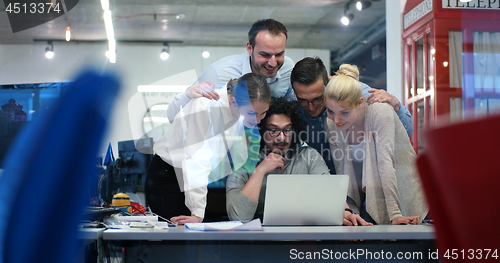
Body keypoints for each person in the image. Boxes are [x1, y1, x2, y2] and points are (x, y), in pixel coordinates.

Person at [146, 73, 271, 225]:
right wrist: (197, 212)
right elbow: (196, 159)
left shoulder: (239, 109)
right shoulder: (205, 106)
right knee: (181, 238)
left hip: (199, 182)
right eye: (252, 113)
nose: (257, 120)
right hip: (169, 179)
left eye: (263, 113)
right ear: (234, 102)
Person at [226, 97, 372, 226]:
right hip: (257, 242)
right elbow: (239, 217)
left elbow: (328, 196)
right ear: (261, 130)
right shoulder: (243, 161)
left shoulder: (309, 156)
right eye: (273, 130)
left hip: (304, 239)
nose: (281, 138)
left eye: (287, 130)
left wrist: (344, 211)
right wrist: (260, 171)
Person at [323, 64, 428, 225]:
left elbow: (386, 164)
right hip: (374, 195)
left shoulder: (379, 111)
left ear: (359, 103)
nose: (336, 120)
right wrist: (350, 212)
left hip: (404, 190)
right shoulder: (331, 124)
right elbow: (343, 171)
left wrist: (394, 214)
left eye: (344, 112)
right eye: (330, 111)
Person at [290, 57, 413, 174]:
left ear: (327, 85)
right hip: (328, 178)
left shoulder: (352, 91)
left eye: (317, 99)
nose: (311, 107)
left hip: (369, 176)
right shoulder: (294, 108)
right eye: (303, 101)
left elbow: (406, 131)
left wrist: (396, 106)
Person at [167, 18, 294, 122]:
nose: (273, 63)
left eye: (279, 54)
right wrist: (188, 95)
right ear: (249, 48)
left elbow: (292, 112)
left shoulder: (287, 68)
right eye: (265, 55)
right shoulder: (218, 74)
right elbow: (173, 117)